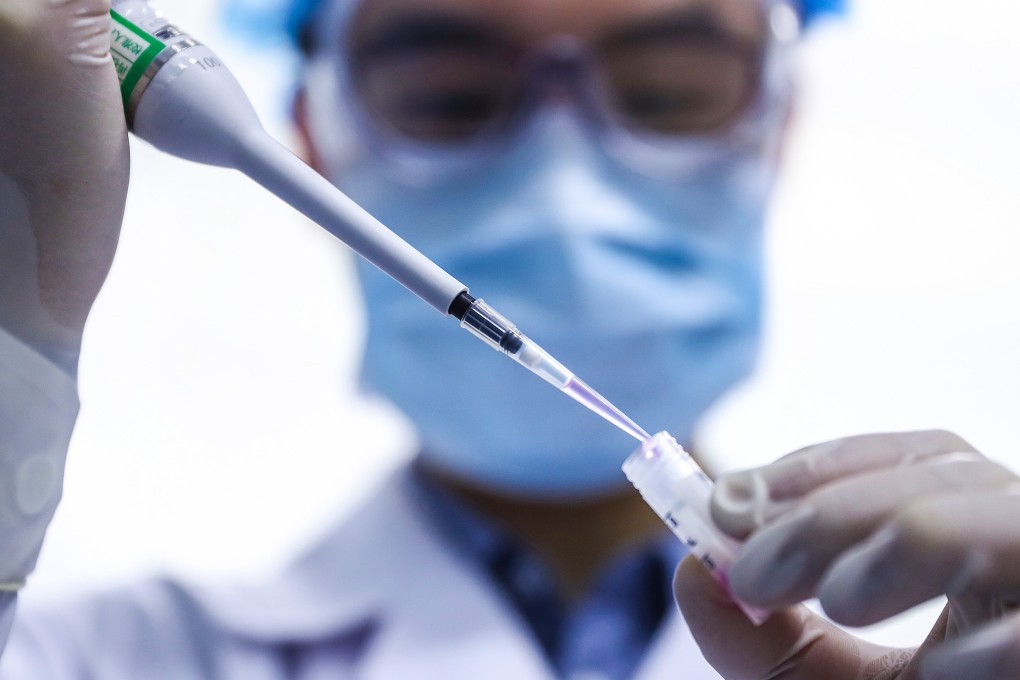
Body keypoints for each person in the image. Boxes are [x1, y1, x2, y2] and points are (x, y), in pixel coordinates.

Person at [1, 0, 1018, 678]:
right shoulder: (98, 653)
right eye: (452, 94)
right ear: (311, 143)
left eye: (666, 88)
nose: (566, 179)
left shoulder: (970, 630)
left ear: (778, 121)